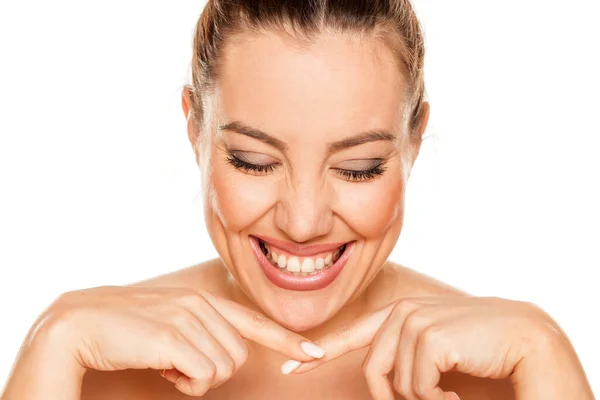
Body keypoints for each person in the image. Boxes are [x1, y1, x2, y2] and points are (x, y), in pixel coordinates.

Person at [1, 0, 595, 399]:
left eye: (359, 169)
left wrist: (549, 357)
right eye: (252, 161)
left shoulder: (507, 379)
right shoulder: (91, 371)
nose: (304, 222)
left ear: (414, 140)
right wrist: (52, 346)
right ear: (194, 128)